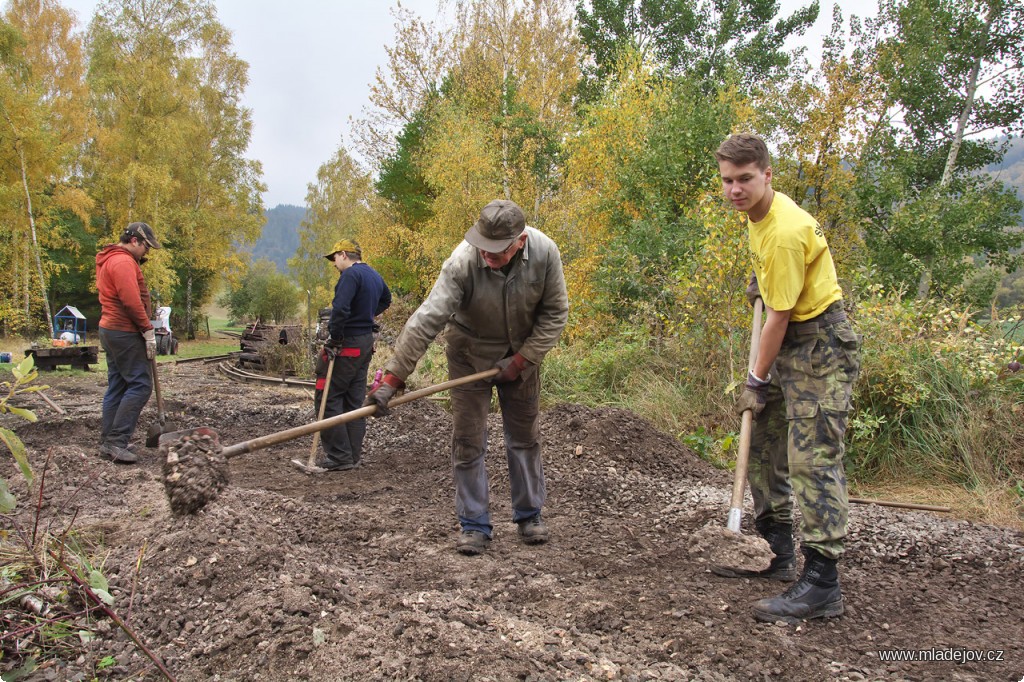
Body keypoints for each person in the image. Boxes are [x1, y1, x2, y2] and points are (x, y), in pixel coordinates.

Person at [364, 199, 569, 556]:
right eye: (483, 247)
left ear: (519, 241)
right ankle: (474, 523)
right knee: (469, 438)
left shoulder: (545, 253)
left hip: (522, 354)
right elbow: (427, 319)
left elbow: (555, 313)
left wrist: (522, 360)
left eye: (496, 251)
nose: (486, 255)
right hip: (469, 355)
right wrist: (392, 380)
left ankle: (529, 514)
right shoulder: (462, 261)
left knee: (524, 437)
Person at [713, 133, 862, 623]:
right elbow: (778, 289)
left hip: (818, 344)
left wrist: (756, 379)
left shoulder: (782, 229)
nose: (735, 189)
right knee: (761, 441)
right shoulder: (760, 215)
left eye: (745, 179)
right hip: (792, 336)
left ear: (767, 174)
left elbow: (777, 317)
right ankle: (775, 553)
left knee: (812, 460)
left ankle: (823, 583)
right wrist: (765, 280)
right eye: (728, 180)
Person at [316, 238, 391, 471]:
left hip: (347, 343)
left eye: (335, 258)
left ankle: (339, 457)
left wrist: (335, 337)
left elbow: (340, 309)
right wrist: (366, 316)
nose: (334, 263)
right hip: (365, 342)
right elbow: (386, 300)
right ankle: (352, 455)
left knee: (328, 398)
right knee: (353, 401)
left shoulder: (349, 275)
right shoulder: (374, 275)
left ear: (345, 254)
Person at [95, 222, 162, 464]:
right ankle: (116, 441)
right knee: (140, 385)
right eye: (146, 247)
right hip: (124, 331)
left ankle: (108, 442)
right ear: (135, 241)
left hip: (110, 329)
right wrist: (147, 330)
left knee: (118, 386)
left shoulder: (110, 259)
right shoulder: (123, 262)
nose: (147, 252)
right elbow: (131, 300)